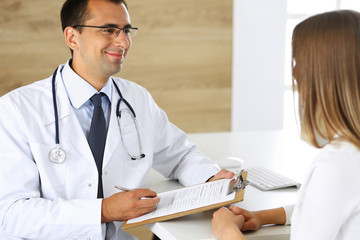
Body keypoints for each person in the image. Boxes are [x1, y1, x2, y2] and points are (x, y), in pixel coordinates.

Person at [0, 0, 233, 239]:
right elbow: (9, 215)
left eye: (126, 31)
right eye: (109, 30)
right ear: (72, 37)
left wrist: (210, 177)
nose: (123, 42)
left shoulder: (136, 99)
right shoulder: (16, 109)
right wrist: (103, 211)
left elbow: (180, 156)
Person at [212, 9, 360, 240]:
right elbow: (330, 207)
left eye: (298, 61)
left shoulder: (337, 164)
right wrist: (266, 216)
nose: (294, 71)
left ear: (318, 75)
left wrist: (226, 231)